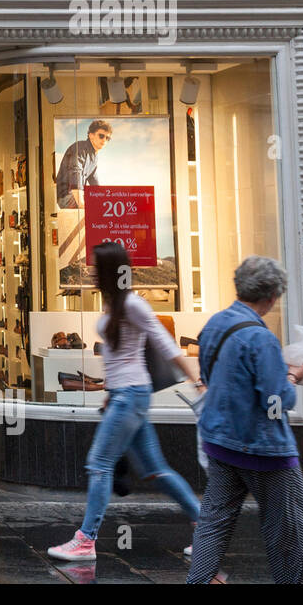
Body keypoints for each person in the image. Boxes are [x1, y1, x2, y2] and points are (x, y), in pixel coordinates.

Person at [47, 241, 201, 563]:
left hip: (131, 396)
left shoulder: (132, 304)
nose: (89, 271)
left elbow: (166, 344)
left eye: (94, 267)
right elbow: (120, 356)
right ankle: (208, 528)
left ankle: (86, 540)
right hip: (125, 395)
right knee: (155, 471)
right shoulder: (114, 304)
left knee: (99, 464)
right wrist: (109, 393)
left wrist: (197, 381)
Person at [187, 257, 303, 584]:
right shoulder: (261, 339)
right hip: (265, 451)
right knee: (288, 532)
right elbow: (277, 402)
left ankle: (197, 582)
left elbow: (206, 373)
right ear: (272, 297)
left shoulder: (214, 324)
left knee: (213, 523)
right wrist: (292, 376)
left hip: (219, 442)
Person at [55, 119, 111, 208]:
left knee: (105, 206)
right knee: (97, 209)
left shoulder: (94, 156)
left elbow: (94, 182)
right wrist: (81, 204)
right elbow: (75, 173)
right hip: (66, 196)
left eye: (108, 138)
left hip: (76, 195)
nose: (104, 140)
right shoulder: (80, 148)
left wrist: (105, 199)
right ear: (91, 135)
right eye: (101, 136)